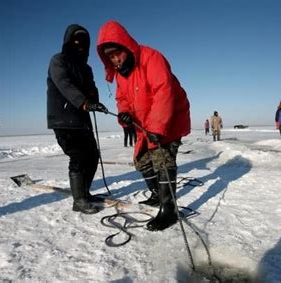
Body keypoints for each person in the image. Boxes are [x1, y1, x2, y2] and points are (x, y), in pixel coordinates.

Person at [97, 20, 191, 231]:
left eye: (116, 52)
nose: (115, 59)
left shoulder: (151, 58)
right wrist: (125, 116)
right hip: (144, 124)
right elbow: (122, 99)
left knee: (162, 162)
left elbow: (163, 92)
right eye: (109, 56)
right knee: (142, 163)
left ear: (125, 46)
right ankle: (157, 195)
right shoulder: (121, 75)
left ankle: (169, 210)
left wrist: (158, 128)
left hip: (168, 120)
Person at [47, 24, 108, 214]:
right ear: (68, 41)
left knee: (92, 155)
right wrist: (84, 102)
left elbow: (92, 88)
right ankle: (79, 201)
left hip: (82, 120)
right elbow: (64, 84)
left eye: (83, 42)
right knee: (79, 156)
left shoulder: (86, 68)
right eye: (76, 41)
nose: (79, 45)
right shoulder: (58, 60)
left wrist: (95, 101)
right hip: (64, 119)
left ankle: (85, 193)